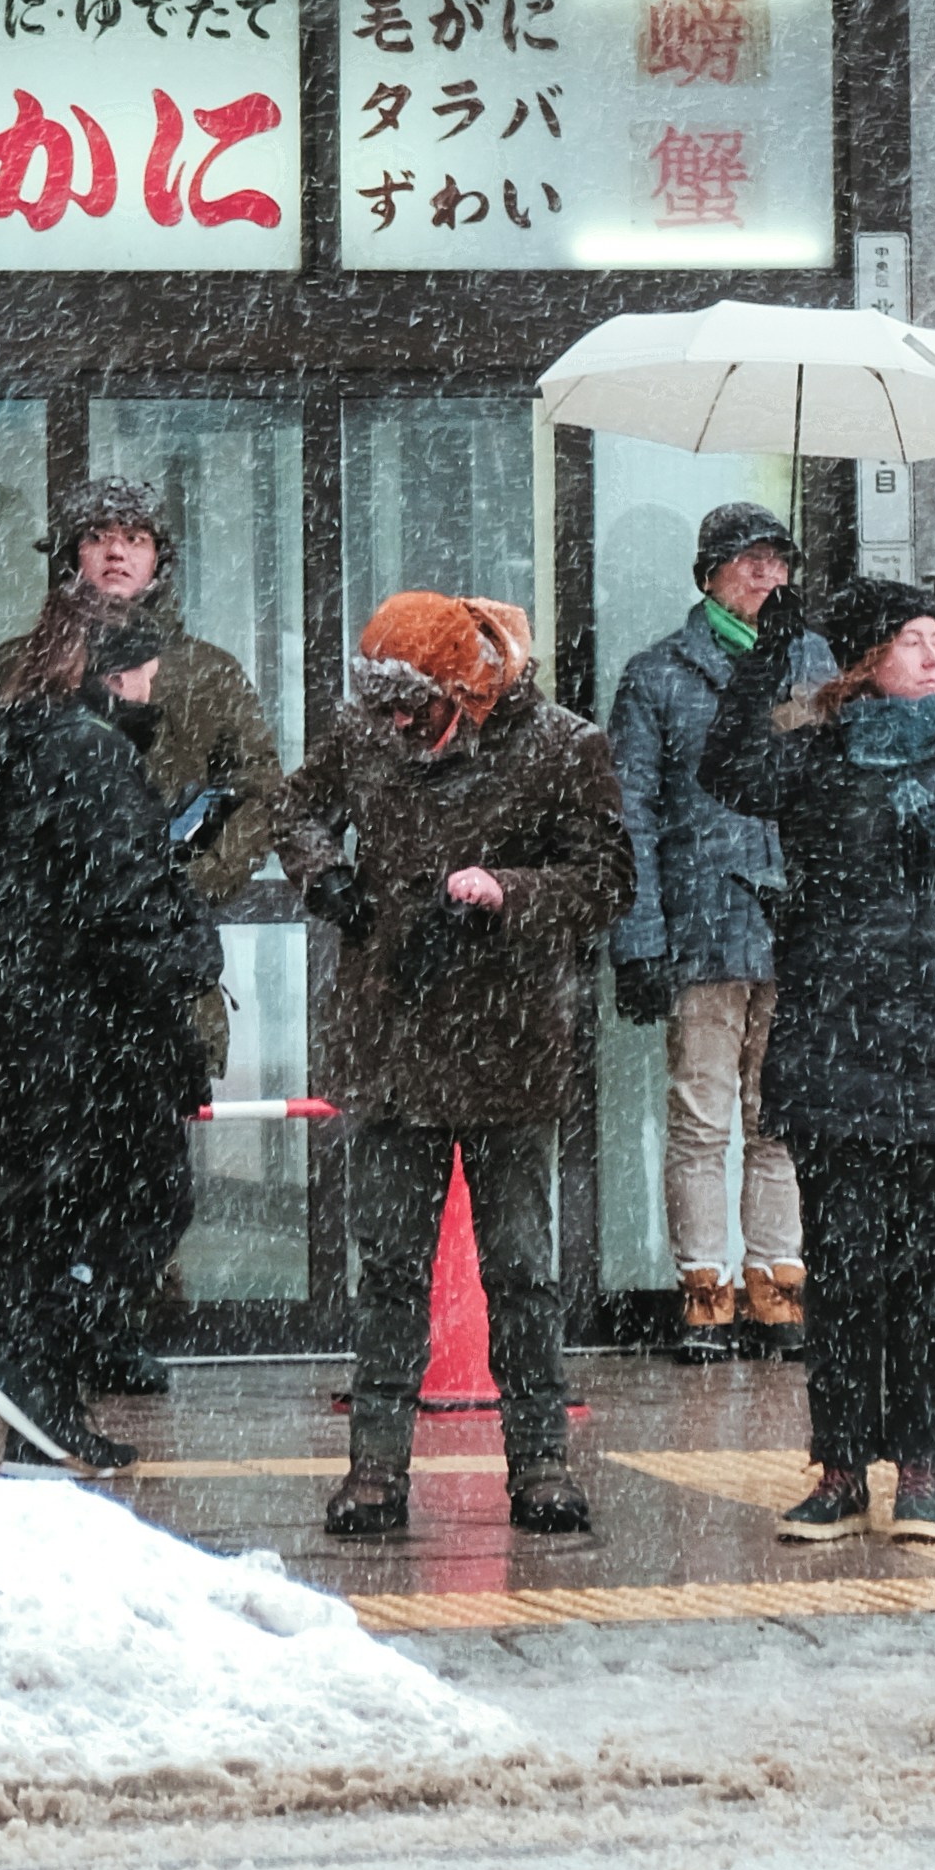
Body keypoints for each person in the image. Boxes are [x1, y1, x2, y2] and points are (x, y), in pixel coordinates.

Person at [283, 591, 630, 1547]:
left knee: (520, 1267)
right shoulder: (368, 730)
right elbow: (296, 805)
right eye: (383, 708)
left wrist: (504, 890)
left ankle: (543, 1463)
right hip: (390, 1039)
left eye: (414, 709)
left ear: (463, 690)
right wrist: (327, 874)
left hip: (506, 1040)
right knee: (388, 1265)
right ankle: (375, 1470)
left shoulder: (559, 745)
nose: (396, 726)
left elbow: (608, 880)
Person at [699, 573, 935, 1554]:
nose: (934, 655)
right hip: (835, 1060)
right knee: (840, 1278)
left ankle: (922, 1470)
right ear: (867, 661)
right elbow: (728, 768)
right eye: (913, 640)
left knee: (927, 1282)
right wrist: (767, 653)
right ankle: (839, 1470)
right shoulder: (815, 763)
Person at [0, 598, 219, 1471]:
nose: (154, 684)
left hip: (23, 1029)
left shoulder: (14, 737)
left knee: (45, 1218)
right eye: (145, 670)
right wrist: (190, 950)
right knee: (146, 1201)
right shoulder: (87, 750)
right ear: (110, 670)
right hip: (91, 1034)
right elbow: (118, 898)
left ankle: (37, 1410)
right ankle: (37, 1368)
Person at [36, 476, 287, 1385]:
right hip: (52, 963)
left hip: (159, 962)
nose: (116, 552)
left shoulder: (209, 671)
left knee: (152, 1173)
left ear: (158, 560)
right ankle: (34, 1342)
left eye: (134, 538)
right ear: (70, 556)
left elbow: (258, 787)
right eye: (99, 536)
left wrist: (190, 879)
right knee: (41, 1169)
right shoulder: (22, 664)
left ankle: (112, 1327)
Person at [607, 501, 830, 1362]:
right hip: (704, 928)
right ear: (709, 576)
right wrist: (640, 939)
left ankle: (778, 1286)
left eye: (778, 563)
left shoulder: (813, 665)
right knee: (701, 1120)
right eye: (751, 563)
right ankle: (704, 1293)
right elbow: (633, 819)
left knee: (777, 1120)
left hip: (795, 926)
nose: (769, 578)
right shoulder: (659, 676)